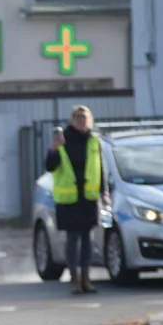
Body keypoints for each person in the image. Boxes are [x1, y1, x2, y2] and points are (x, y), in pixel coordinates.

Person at [45, 106, 110, 295]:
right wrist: (53, 149)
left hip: (88, 198)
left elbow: (100, 168)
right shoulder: (63, 139)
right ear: (72, 120)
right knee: (72, 238)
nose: (82, 120)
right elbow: (50, 167)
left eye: (85, 117)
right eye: (78, 117)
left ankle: (86, 278)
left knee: (87, 240)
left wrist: (104, 192)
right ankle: (74, 279)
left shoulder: (94, 140)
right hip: (69, 198)